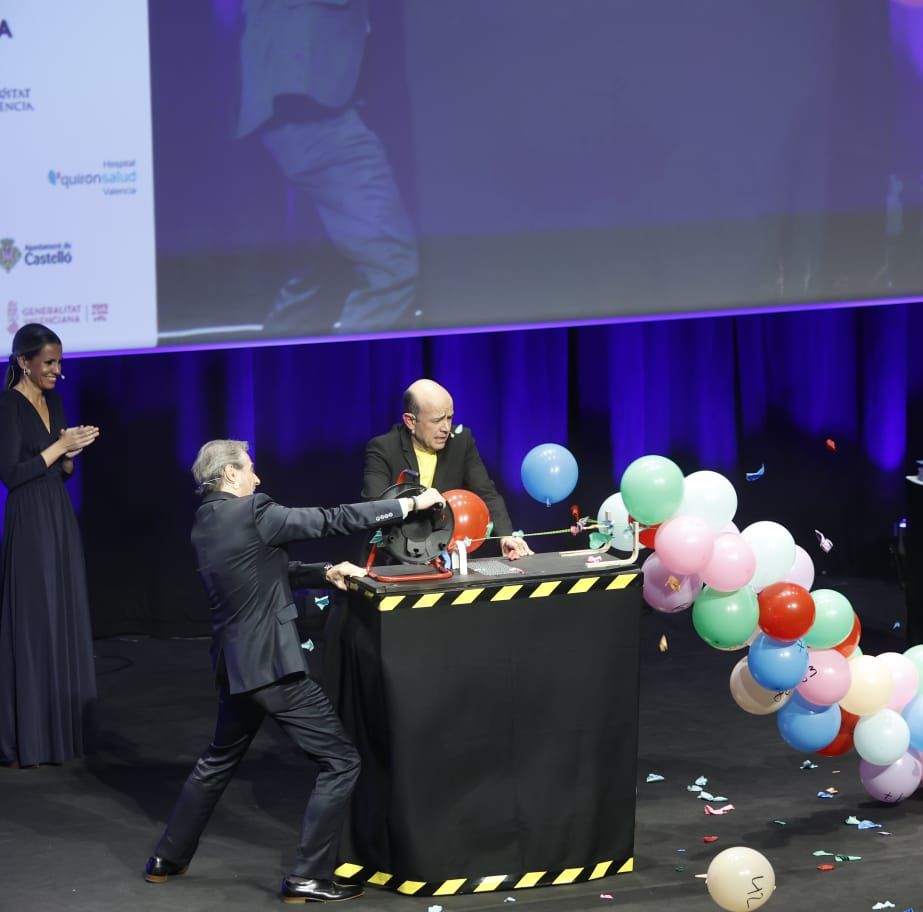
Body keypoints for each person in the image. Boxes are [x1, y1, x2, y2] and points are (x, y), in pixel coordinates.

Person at [144, 439, 446, 903]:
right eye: (251, 470)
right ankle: (307, 876)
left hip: (235, 665)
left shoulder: (206, 522)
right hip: (272, 668)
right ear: (229, 475)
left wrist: (322, 572)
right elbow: (330, 519)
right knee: (342, 762)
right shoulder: (253, 511)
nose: (258, 478)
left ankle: (168, 857)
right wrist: (405, 506)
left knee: (217, 762)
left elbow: (263, 571)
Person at [239, 0, 420, 335]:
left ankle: (280, 375)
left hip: (301, 112)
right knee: (392, 264)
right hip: (314, 115)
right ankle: (350, 378)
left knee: (316, 275)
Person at [0, 323, 100, 769]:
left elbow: (59, 472)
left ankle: (65, 731)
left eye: (59, 362)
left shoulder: (55, 400)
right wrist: (58, 445)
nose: (58, 371)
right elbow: (12, 475)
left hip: (58, 512)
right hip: (29, 517)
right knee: (36, 615)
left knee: (63, 608)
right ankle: (33, 736)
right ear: (24, 362)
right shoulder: (7, 406)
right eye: (49, 363)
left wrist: (70, 458)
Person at [362, 378, 533, 561]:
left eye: (449, 418)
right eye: (436, 420)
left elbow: (486, 493)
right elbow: (376, 508)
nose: (445, 428)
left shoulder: (461, 441)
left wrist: (505, 536)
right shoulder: (383, 449)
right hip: (393, 558)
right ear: (410, 421)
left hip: (445, 557)